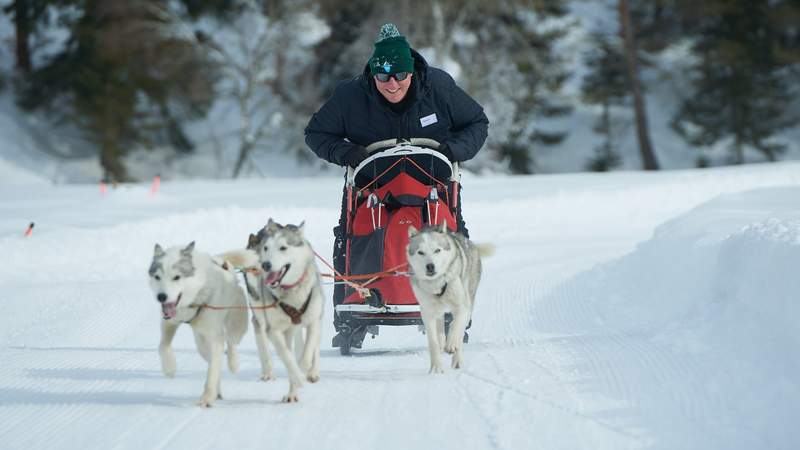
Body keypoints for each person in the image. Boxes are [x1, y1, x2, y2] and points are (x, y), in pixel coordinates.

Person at [304, 23, 488, 339]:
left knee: (456, 234)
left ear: (412, 73)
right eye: (383, 77)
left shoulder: (438, 88)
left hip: (432, 187)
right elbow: (316, 133)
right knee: (349, 234)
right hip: (372, 190)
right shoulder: (351, 95)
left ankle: (457, 309)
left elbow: (476, 122)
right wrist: (349, 153)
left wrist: (452, 150)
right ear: (372, 75)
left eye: (400, 76)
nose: (392, 84)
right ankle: (351, 314)